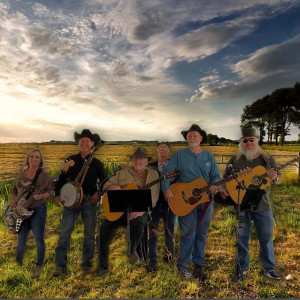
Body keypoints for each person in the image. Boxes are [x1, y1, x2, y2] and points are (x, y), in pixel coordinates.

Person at [162, 124, 220, 280]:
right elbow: (167, 174)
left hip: (205, 199)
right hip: (185, 200)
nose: (192, 138)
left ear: (201, 138)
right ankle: (182, 266)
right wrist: (166, 189)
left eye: (195, 135)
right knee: (188, 233)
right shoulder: (179, 155)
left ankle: (198, 265)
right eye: (189, 136)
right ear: (186, 139)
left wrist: (215, 184)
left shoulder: (209, 156)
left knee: (201, 234)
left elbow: (216, 176)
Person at [222, 127, 282, 280]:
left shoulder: (267, 159)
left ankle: (269, 268)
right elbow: (225, 180)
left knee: (266, 237)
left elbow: (279, 179)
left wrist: (275, 177)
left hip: (263, 205)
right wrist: (225, 190)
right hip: (242, 206)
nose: (248, 142)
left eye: (251, 139)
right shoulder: (235, 161)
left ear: (256, 141)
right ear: (241, 143)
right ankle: (241, 269)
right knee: (242, 237)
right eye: (245, 140)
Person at [97, 147, 160, 276]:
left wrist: (142, 210)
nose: (138, 161)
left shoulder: (153, 175)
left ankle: (132, 251)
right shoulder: (122, 172)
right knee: (103, 229)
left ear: (146, 161)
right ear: (132, 160)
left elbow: (153, 198)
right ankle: (103, 267)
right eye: (135, 158)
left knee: (138, 221)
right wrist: (111, 187)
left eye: (141, 159)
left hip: (140, 210)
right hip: (119, 211)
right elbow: (106, 185)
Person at [53, 129, 107, 276]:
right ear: (78, 143)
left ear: (92, 144)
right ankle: (60, 265)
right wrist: (57, 194)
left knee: (89, 234)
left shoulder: (97, 163)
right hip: (70, 203)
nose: (84, 143)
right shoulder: (70, 160)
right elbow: (60, 179)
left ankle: (86, 263)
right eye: (81, 140)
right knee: (65, 233)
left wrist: (98, 193)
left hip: (90, 201)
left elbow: (104, 181)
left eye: (87, 141)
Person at [10, 148, 52, 279]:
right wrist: (12, 199)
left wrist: (41, 196)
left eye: (37, 157)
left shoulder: (44, 175)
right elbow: (14, 189)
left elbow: (51, 192)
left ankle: (39, 267)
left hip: (37, 211)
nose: (34, 159)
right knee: (21, 240)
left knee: (39, 240)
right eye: (32, 156)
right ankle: (18, 266)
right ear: (28, 158)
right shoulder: (22, 173)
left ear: (40, 160)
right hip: (20, 212)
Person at [146, 142, 176, 272]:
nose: (163, 150)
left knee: (170, 231)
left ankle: (169, 257)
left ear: (169, 151)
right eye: (160, 148)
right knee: (152, 231)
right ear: (156, 150)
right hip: (154, 204)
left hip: (170, 203)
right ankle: (153, 261)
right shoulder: (150, 166)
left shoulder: (175, 166)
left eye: (165, 148)